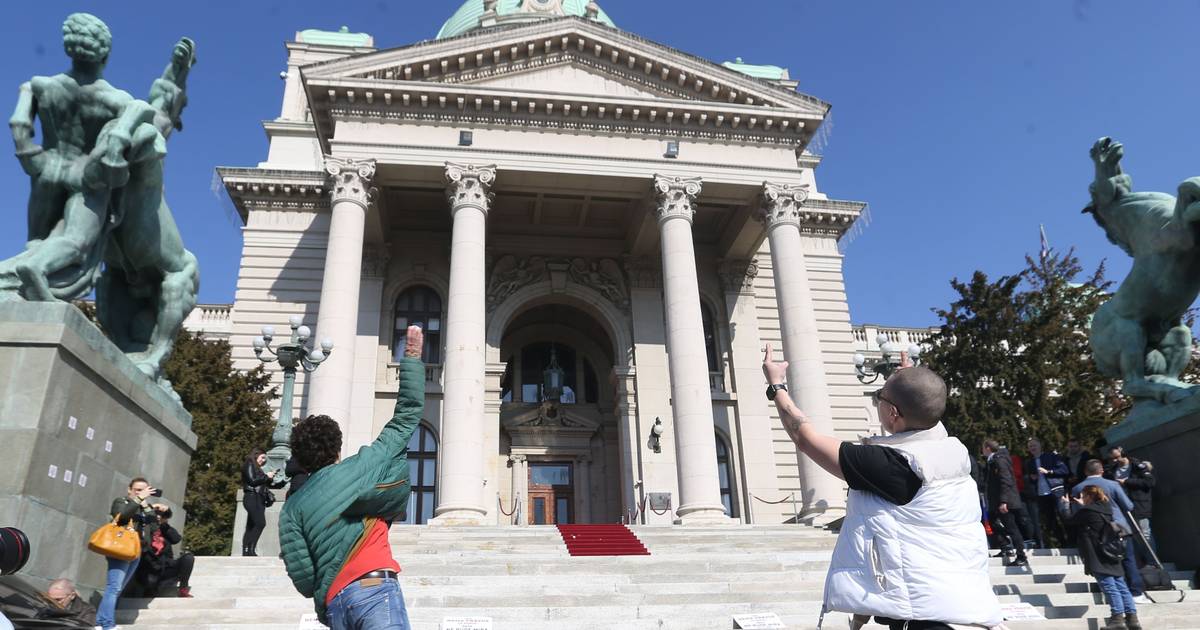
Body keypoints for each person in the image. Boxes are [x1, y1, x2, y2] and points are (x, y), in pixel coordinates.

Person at [761, 346, 1004, 630]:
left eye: (880, 396)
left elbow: (803, 436)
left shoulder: (889, 466)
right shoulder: (956, 454)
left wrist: (776, 385)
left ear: (893, 412)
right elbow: (923, 413)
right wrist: (908, 380)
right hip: (967, 608)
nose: (878, 400)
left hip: (925, 619)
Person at [280, 325, 426, 630]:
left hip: (335, 604)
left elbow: (305, 580)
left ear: (301, 459)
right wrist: (411, 358)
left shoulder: (291, 510)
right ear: (337, 448)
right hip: (375, 589)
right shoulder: (364, 465)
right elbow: (406, 417)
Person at [1072, 460, 1147, 603]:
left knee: (1104, 561)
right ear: (1101, 471)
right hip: (1118, 527)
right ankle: (1136, 592)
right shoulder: (1113, 485)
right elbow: (1128, 505)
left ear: (1085, 472)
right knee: (1128, 559)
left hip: (1094, 530)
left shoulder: (1078, 488)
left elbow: (1077, 512)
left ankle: (1112, 592)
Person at [1065, 486, 1140, 630]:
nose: (1082, 498)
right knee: (1121, 586)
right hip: (1111, 552)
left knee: (1109, 586)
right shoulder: (1106, 508)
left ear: (1089, 496)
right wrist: (1083, 506)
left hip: (1098, 554)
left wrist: (1064, 506)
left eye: (1083, 496)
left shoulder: (1087, 512)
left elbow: (1069, 520)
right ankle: (1132, 619)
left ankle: (1117, 619)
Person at [97, 477, 167, 630]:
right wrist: (138, 499)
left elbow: (154, 526)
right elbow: (121, 516)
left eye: (144, 490)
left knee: (118, 588)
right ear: (129, 490)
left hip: (136, 551)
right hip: (121, 549)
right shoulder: (121, 501)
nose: (140, 493)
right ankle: (106, 624)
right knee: (113, 587)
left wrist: (149, 508)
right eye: (137, 490)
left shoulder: (143, 506)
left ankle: (102, 621)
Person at [982, 439, 1029, 567]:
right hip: (996, 501)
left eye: (983, 448)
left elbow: (1005, 481)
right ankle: (1005, 547)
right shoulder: (992, 460)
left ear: (987, 448)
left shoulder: (999, 460)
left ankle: (1021, 556)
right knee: (992, 522)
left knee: (1012, 528)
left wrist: (1004, 501)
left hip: (1005, 501)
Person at [1105, 446, 1156, 554]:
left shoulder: (1137, 466)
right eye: (1111, 458)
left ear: (1123, 454)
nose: (1114, 460)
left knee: (1145, 533)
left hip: (1139, 504)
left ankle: (1153, 561)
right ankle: (1141, 562)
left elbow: (1150, 482)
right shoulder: (1111, 470)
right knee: (1130, 535)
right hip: (1122, 507)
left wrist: (1127, 482)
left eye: (1116, 457)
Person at [134, 507, 195, 597]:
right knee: (150, 580)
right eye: (156, 514)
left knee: (188, 558)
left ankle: (183, 589)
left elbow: (176, 539)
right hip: (150, 569)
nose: (158, 517)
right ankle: (150, 590)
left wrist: (164, 522)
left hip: (167, 567)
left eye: (161, 515)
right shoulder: (145, 530)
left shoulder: (164, 529)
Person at [1021, 437, 1069, 548]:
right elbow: (1029, 478)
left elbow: (1064, 470)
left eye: (1034, 445)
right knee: (1050, 520)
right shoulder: (1029, 462)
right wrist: (1032, 478)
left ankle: (1072, 541)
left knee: (1064, 516)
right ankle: (1060, 543)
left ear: (1040, 446)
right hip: (1041, 494)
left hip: (1056, 490)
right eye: (1030, 446)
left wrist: (1049, 471)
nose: (1032, 448)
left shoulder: (1051, 456)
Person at [241, 447, 279, 556]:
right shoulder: (249, 464)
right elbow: (252, 481)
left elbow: (261, 482)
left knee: (252, 524)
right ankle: (250, 549)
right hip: (252, 496)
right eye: (262, 457)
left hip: (259, 498)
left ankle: (247, 550)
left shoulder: (257, 468)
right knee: (260, 523)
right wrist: (267, 476)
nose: (263, 460)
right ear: (256, 455)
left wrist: (269, 478)